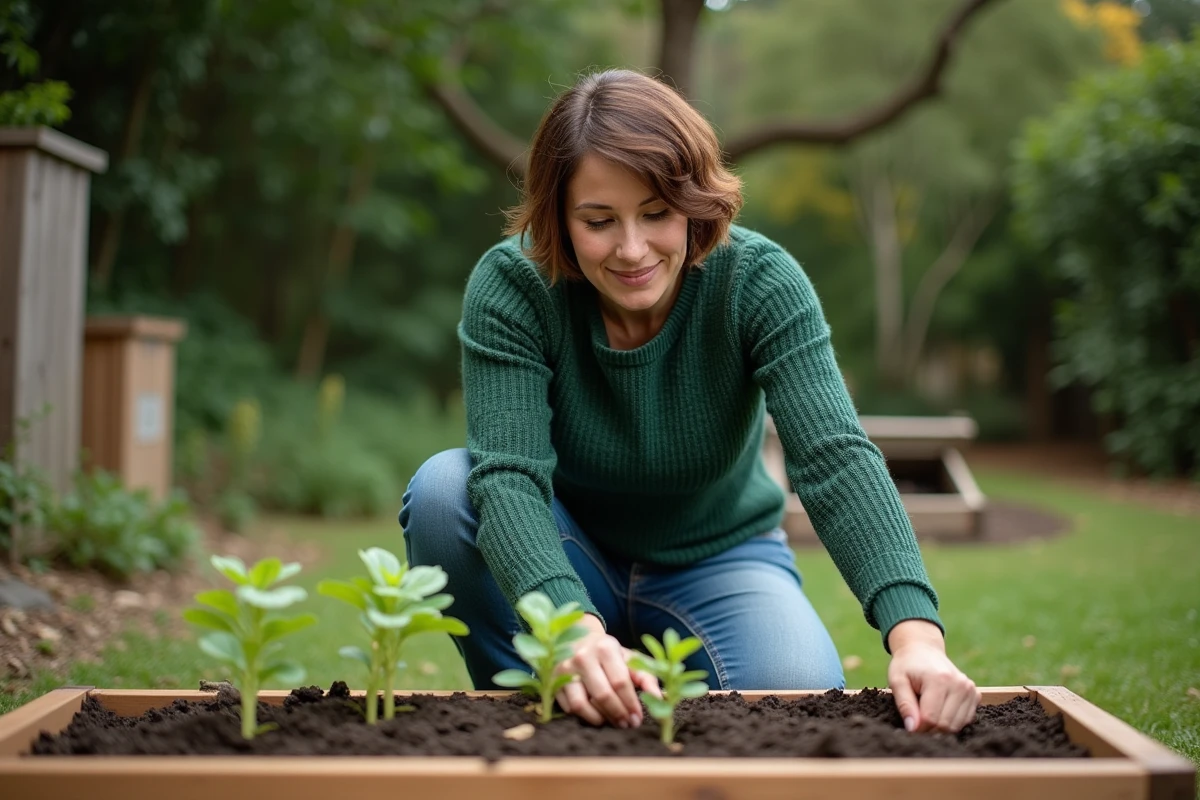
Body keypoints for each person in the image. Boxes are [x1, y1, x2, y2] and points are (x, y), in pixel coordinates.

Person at [400, 69, 980, 734]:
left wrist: (917, 638)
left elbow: (835, 460)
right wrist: (569, 627)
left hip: (719, 556)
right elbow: (508, 477)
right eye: (598, 221)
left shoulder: (758, 280)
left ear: (694, 203)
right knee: (446, 491)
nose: (632, 249)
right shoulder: (515, 285)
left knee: (794, 700)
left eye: (656, 214)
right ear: (558, 215)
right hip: (568, 547)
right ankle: (557, 705)